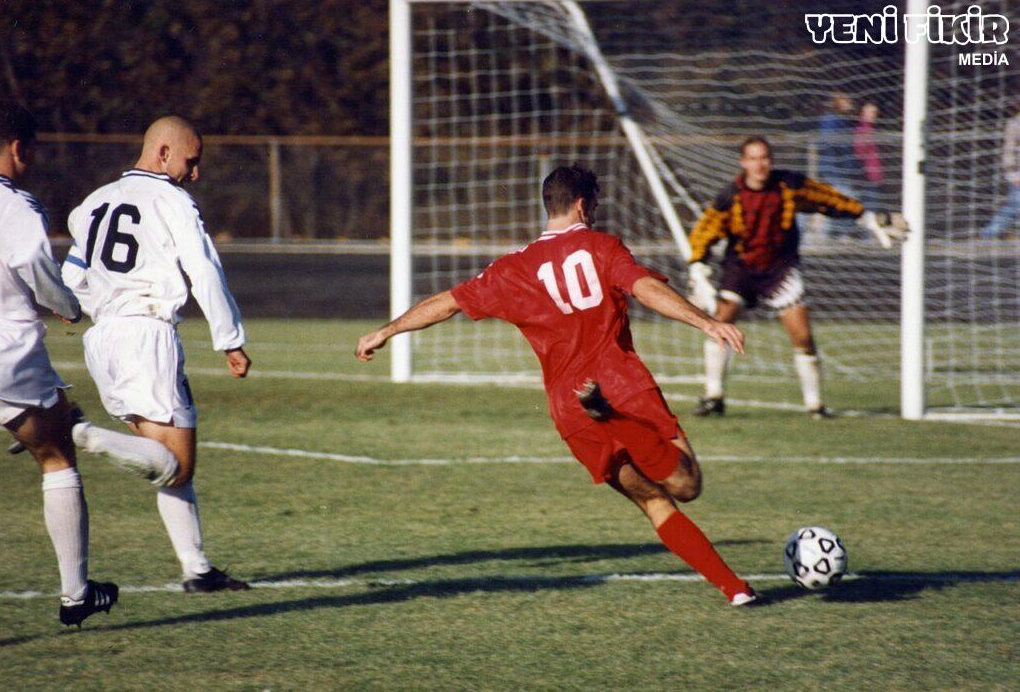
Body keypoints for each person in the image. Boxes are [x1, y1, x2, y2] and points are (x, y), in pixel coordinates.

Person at [357, 165, 759, 606]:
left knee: (654, 502)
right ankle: (616, 421)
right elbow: (644, 287)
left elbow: (447, 303)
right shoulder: (602, 246)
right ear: (584, 205)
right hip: (623, 386)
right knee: (686, 483)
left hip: (572, 409)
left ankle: (736, 590)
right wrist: (705, 321)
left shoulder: (512, 268)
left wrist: (387, 330)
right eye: (596, 203)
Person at [0, 101, 182, 626]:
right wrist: (67, 304)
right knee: (57, 455)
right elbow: (34, 263)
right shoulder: (15, 205)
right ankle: (76, 594)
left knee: (52, 427)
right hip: (6, 352)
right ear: (20, 148)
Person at [62, 115, 252, 593]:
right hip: (146, 335)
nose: (195, 173)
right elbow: (204, 270)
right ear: (164, 152)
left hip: (103, 339)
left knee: (167, 463)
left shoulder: (93, 202)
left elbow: (72, 275)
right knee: (177, 466)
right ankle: (80, 432)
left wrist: (75, 308)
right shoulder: (172, 200)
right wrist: (229, 338)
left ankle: (197, 569)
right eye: (191, 160)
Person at [686, 136, 903, 419]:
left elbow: (826, 198)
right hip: (741, 269)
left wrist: (866, 217)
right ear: (743, 163)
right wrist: (698, 265)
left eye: (764, 158)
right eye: (753, 159)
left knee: (803, 336)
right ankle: (713, 396)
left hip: (780, 270)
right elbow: (705, 230)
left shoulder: (788, 185)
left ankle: (815, 406)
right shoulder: (730, 196)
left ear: (771, 160)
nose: (759, 164)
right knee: (721, 322)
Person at [817, 93, 862, 239]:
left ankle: (836, 232)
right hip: (834, 169)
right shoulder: (830, 120)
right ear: (838, 103)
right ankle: (834, 233)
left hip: (843, 170)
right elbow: (830, 141)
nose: (850, 104)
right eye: (846, 101)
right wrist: (844, 145)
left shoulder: (844, 121)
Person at [981, 108, 1020, 239]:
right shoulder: (1015, 123)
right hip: (1018, 171)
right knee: (1015, 205)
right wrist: (1012, 173)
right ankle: (989, 233)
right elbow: (1008, 150)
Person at [853, 102, 883, 211]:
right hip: (868, 174)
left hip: (873, 173)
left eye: (875, 113)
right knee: (870, 206)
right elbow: (859, 152)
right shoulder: (862, 130)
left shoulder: (872, 129)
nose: (874, 115)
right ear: (863, 113)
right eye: (871, 112)